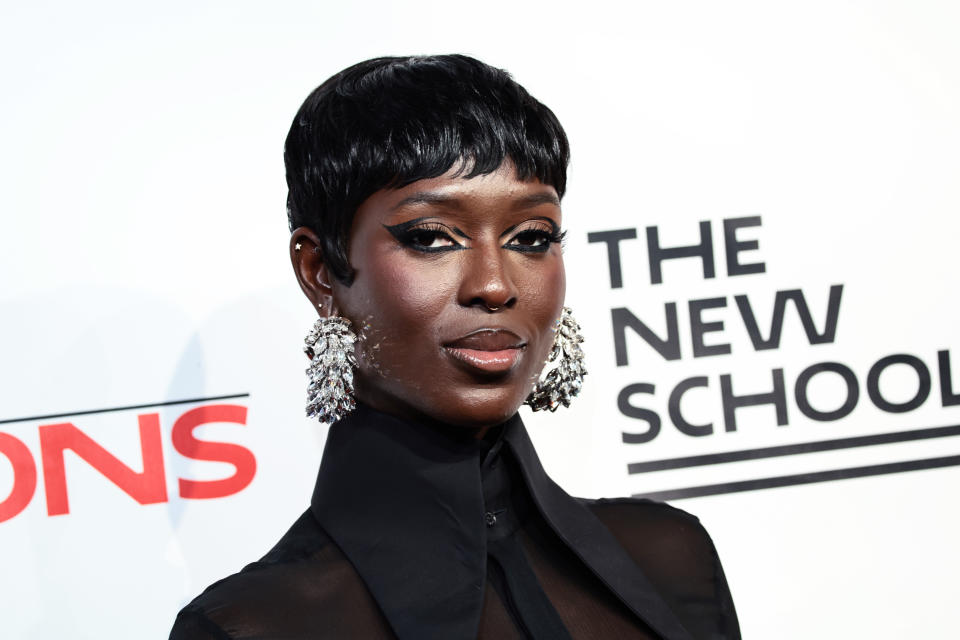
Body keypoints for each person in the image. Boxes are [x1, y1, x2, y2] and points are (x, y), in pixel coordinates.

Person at [170, 54, 740, 640]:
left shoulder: (671, 558)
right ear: (321, 271)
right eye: (431, 238)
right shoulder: (255, 627)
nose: (494, 284)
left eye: (532, 237)